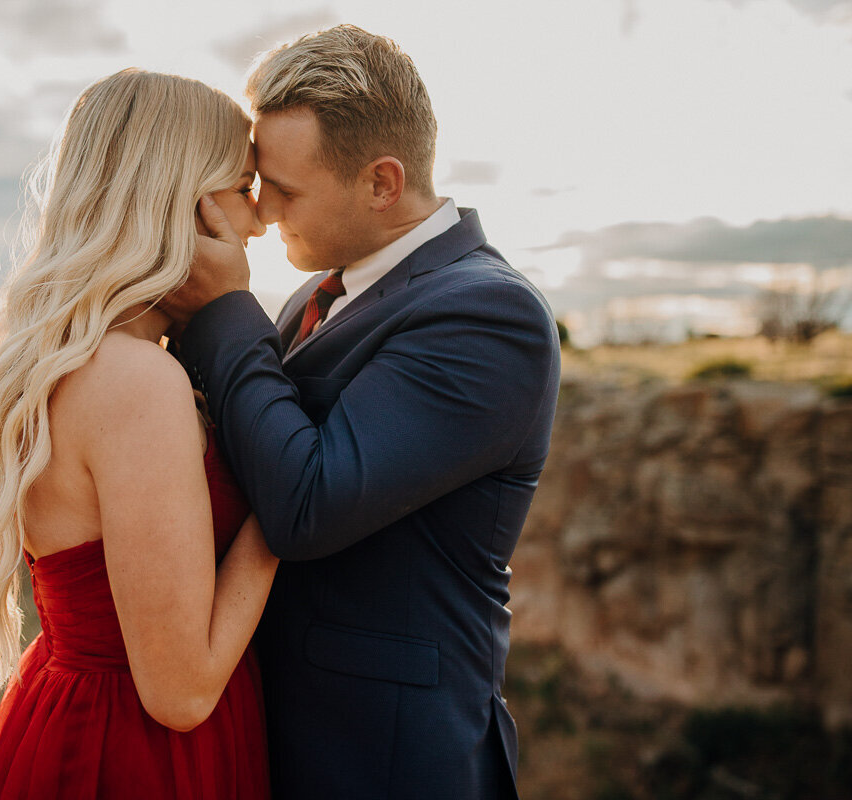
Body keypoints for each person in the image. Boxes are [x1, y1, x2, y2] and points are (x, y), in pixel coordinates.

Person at [165, 25, 561, 799]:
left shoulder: (489, 316)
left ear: (382, 182)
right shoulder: (322, 295)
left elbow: (306, 505)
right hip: (279, 732)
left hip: (382, 759)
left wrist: (223, 309)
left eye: (283, 189)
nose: (265, 213)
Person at [0, 69, 276, 800]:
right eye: (244, 187)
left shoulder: (64, 359)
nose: (259, 221)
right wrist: (295, 498)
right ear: (187, 204)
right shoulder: (135, 381)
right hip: (133, 758)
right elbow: (180, 693)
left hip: (64, 714)